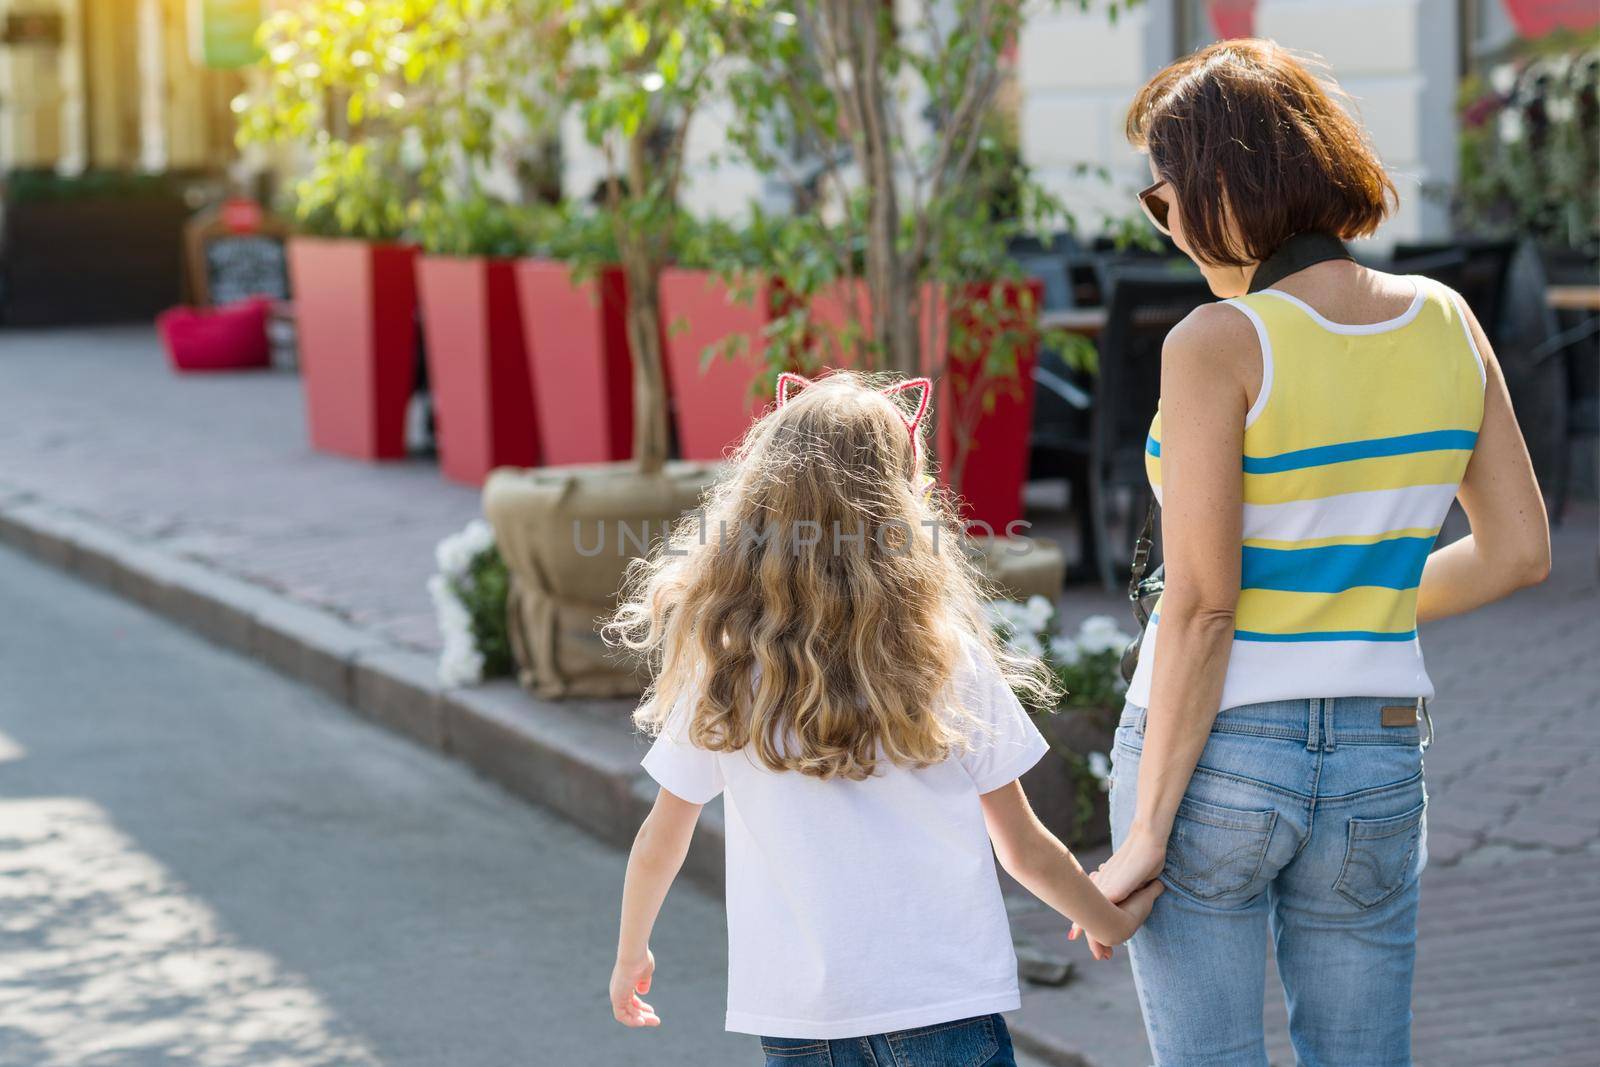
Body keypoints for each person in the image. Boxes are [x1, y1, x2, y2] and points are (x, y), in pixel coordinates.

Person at [1066, 39, 1552, 1066]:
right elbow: (1514, 552)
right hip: (1379, 748)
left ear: (1216, 187)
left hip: (1214, 755)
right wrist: (1353, 601)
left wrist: (1146, 829)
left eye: (1165, 200)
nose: (1167, 227)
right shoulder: (1445, 319)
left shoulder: (1217, 343)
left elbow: (1201, 605)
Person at [603, 371, 1163, 1065]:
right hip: (943, 1000)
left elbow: (663, 832)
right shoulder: (942, 657)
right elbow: (1022, 846)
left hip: (798, 1018)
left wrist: (633, 950)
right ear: (902, 504)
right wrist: (1108, 915)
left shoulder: (726, 667)